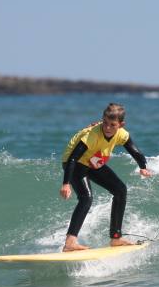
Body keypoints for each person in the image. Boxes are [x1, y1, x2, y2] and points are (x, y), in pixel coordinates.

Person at [60, 103, 152, 251]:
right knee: (86, 198)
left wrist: (143, 167)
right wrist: (66, 183)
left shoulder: (122, 134)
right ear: (102, 119)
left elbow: (134, 151)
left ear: (121, 125)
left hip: (93, 161)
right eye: (105, 123)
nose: (107, 128)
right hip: (75, 162)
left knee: (120, 190)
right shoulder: (92, 135)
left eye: (112, 125)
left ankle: (116, 238)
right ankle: (70, 242)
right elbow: (72, 158)